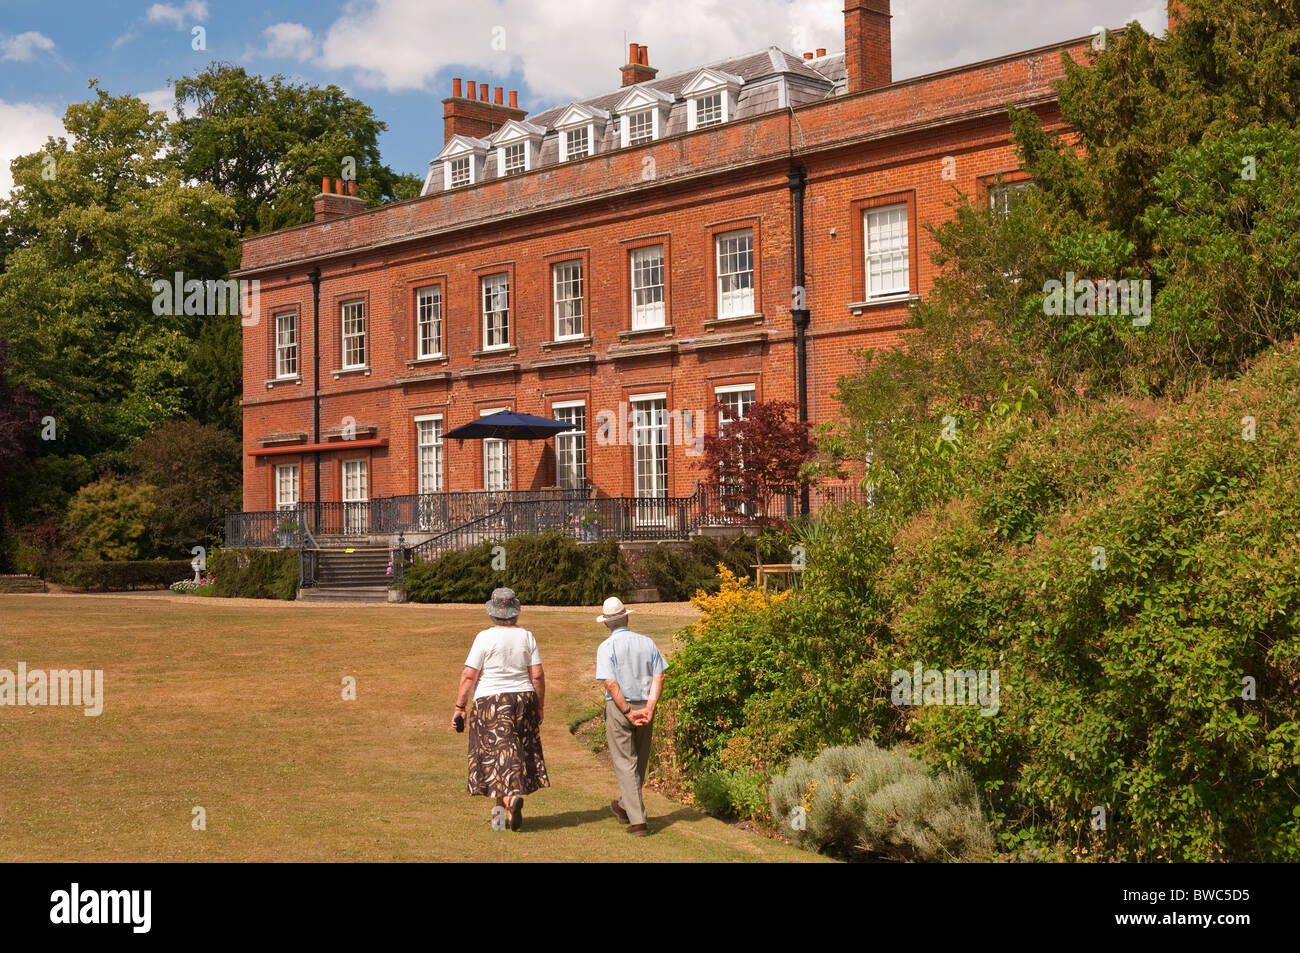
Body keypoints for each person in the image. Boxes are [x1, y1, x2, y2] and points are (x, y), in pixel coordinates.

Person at [452, 587, 549, 831]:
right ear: (514, 611)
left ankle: (509, 799)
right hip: (523, 698)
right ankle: (499, 820)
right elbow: (537, 675)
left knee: (493, 758)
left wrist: (459, 707)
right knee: (512, 757)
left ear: (493, 613)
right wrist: (539, 705)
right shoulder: (527, 636)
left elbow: (468, 676)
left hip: (491, 701)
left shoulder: (484, 637)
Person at [594, 596, 667, 836]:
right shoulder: (647, 642)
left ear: (606, 624)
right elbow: (659, 677)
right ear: (626, 617)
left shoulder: (606, 647)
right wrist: (650, 707)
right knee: (640, 760)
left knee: (626, 762)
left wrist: (627, 711)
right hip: (645, 705)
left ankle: (638, 822)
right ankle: (625, 806)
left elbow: (611, 683)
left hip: (620, 708)